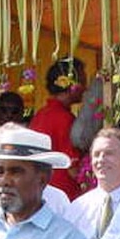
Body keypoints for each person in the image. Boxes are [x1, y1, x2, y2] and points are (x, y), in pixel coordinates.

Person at [30, 57, 87, 200]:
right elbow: (73, 169)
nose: (85, 88)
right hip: (63, 196)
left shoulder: (40, 114)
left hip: (40, 191)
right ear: (70, 84)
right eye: (82, 82)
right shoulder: (65, 119)